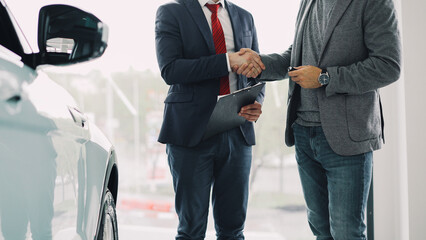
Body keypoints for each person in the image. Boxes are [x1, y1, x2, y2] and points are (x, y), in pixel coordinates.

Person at [234, 0, 401, 239]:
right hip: (303, 133)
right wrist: (259, 63)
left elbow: (388, 65)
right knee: (321, 231)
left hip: (347, 138)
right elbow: (296, 57)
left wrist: (326, 78)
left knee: (347, 233)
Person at [155, 0, 265, 239]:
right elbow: (170, 70)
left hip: (237, 131)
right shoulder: (172, 12)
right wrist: (227, 61)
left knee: (233, 230)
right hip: (191, 133)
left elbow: (256, 71)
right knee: (191, 229)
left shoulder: (245, 17)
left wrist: (258, 103)